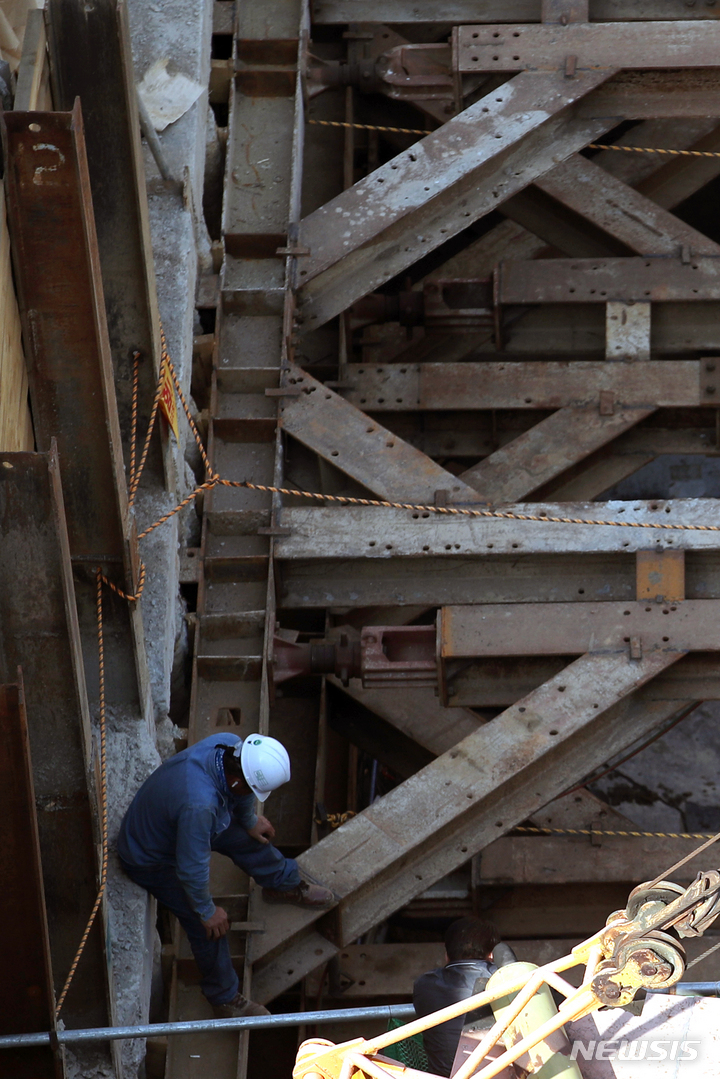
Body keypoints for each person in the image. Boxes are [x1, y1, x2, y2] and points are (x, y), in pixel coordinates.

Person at [117, 732, 334, 1018]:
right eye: (250, 789)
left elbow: (242, 792)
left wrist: (249, 820)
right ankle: (224, 996)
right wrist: (207, 911)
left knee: (248, 838)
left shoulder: (229, 745)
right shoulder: (200, 806)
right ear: (236, 781)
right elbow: (190, 868)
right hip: (150, 858)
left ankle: (283, 883)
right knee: (209, 927)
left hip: (175, 828)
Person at [412, 917, 516, 1076]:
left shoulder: (424, 984)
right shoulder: (503, 978)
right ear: (491, 955)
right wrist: (511, 966)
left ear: (447, 955)